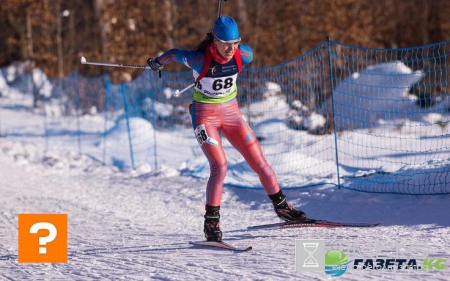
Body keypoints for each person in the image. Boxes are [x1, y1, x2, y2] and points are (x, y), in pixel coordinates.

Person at [147, 16, 310, 242]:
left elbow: (244, 50)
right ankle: (211, 223)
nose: (230, 49)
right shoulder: (198, 59)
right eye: (226, 44)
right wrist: (157, 62)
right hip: (205, 115)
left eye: (235, 43)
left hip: (232, 113)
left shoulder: (244, 54)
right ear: (215, 40)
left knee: (259, 160)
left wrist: (234, 47)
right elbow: (174, 53)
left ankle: (283, 208)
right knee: (220, 166)